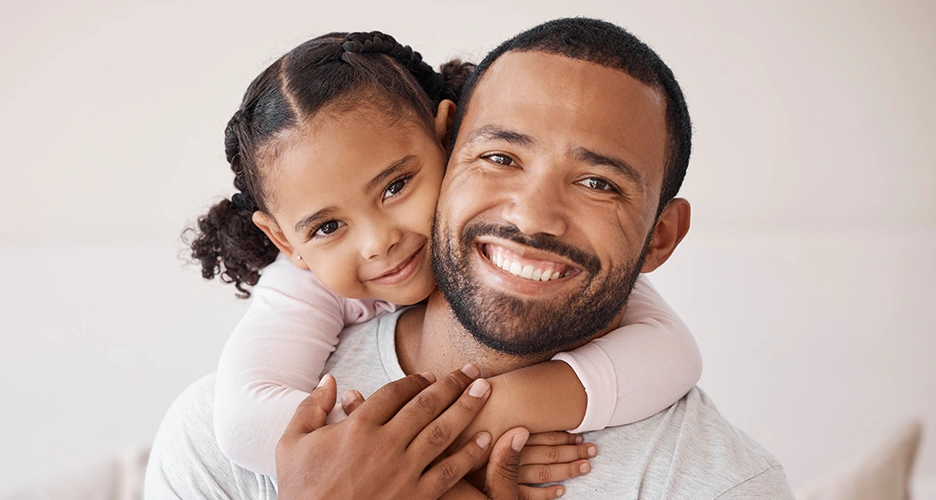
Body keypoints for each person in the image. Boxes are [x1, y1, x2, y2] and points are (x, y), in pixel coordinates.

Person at [146, 18, 795, 499]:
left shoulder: (724, 483)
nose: (533, 215)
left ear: (660, 237)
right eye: (501, 156)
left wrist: (462, 432)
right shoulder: (217, 438)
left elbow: (671, 352)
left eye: (598, 183)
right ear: (455, 148)